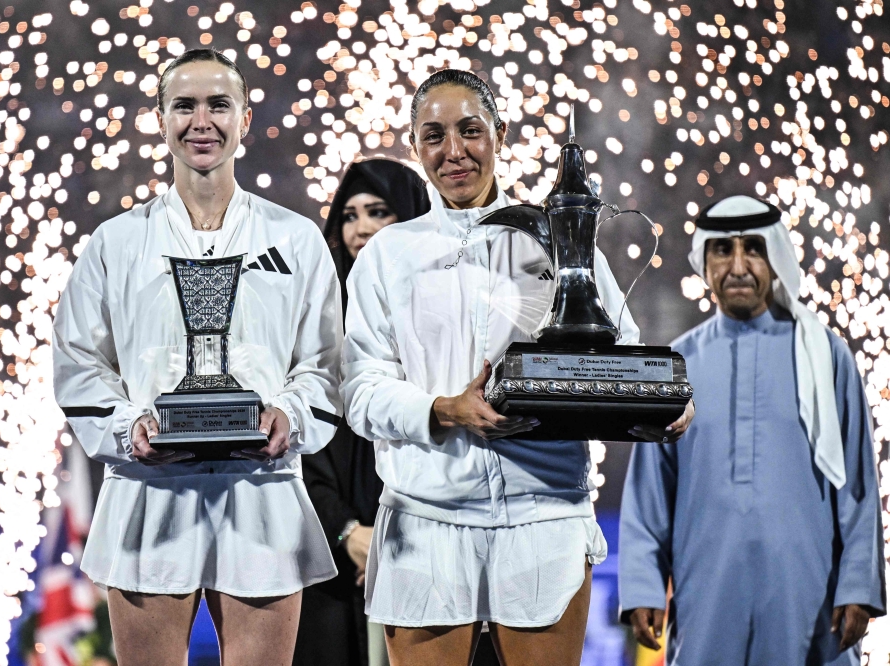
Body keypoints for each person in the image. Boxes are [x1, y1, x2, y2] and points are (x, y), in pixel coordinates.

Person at [340, 69, 693, 666]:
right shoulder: (387, 256)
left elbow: (620, 354)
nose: (454, 152)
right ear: (415, 145)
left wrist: (660, 402)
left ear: (500, 134)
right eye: (434, 135)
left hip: (545, 514)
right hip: (426, 519)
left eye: (470, 131)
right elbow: (359, 389)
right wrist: (442, 409)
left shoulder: (560, 240)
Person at [52, 49, 343, 666]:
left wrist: (290, 414)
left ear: (244, 116)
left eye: (218, 104)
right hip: (150, 487)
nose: (201, 121)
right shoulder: (117, 241)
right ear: (160, 119)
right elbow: (79, 362)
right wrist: (128, 428)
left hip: (260, 485)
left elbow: (325, 365)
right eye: (184, 105)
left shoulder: (294, 237)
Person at [618, 195, 886, 665]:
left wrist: (858, 586)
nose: (738, 265)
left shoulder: (825, 355)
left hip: (809, 599)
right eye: (723, 250)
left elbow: (860, 487)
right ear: (705, 260)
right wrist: (642, 586)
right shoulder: (677, 366)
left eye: (753, 249)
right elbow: (648, 493)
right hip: (707, 597)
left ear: (776, 257)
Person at [293, 158, 430, 666]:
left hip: (431, 540)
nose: (362, 228)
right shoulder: (319, 317)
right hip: (333, 562)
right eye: (349, 216)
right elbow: (301, 444)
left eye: (378, 211)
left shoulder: (447, 313)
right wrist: (349, 533)